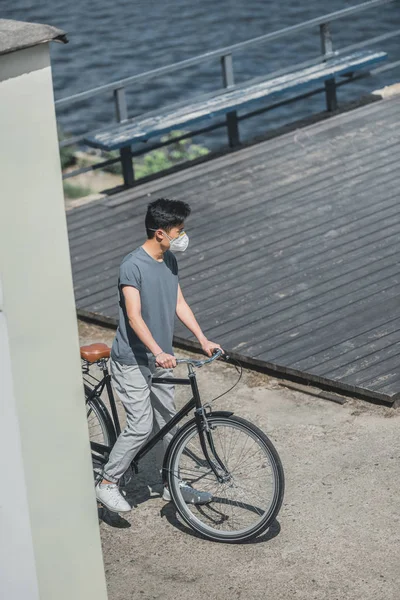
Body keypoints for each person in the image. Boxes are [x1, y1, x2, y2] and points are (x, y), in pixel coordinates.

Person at [96, 198, 223, 513]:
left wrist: (202, 339)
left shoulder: (170, 261)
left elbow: (179, 302)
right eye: (178, 231)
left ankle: (172, 484)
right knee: (141, 425)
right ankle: (107, 483)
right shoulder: (132, 266)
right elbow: (134, 317)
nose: (183, 237)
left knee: (168, 423)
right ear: (160, 234)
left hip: (160, 358)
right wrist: (156, 351)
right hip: (132, 361)